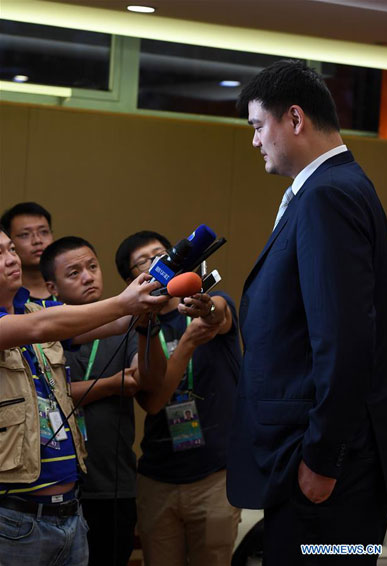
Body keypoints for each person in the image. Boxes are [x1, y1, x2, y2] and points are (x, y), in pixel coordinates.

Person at [226, 59, 387, 565]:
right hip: (330, 464)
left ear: (295, 119)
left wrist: (322, 460)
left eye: (259, 126)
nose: (255, 140)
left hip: (330, 472)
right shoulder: (337, 186)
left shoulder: (328, 194)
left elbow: (344, 341)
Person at [0, 225, 167, 566]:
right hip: (13, 516)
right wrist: (123, 303)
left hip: (69, 512)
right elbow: (40, 328)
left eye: (10, 250)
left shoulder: (33, 312)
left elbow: (108, 324)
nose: (10, 259)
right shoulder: (35, 321)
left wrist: (145, 301)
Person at [115, 231, 242, 566]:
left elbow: (219, 314)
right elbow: (152, 402)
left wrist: (209, 309)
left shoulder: (207, 302)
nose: (158, 262)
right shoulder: (137, 327)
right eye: (145, 261)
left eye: (163, 253)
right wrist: (186, 344)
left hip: (215, 476)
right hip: (157, 479)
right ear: (133, 280)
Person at [1, 202, 54, 302]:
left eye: (44, 232)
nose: (37, 240)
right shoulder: (6, 299)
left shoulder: (70, 288)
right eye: (25, 234)